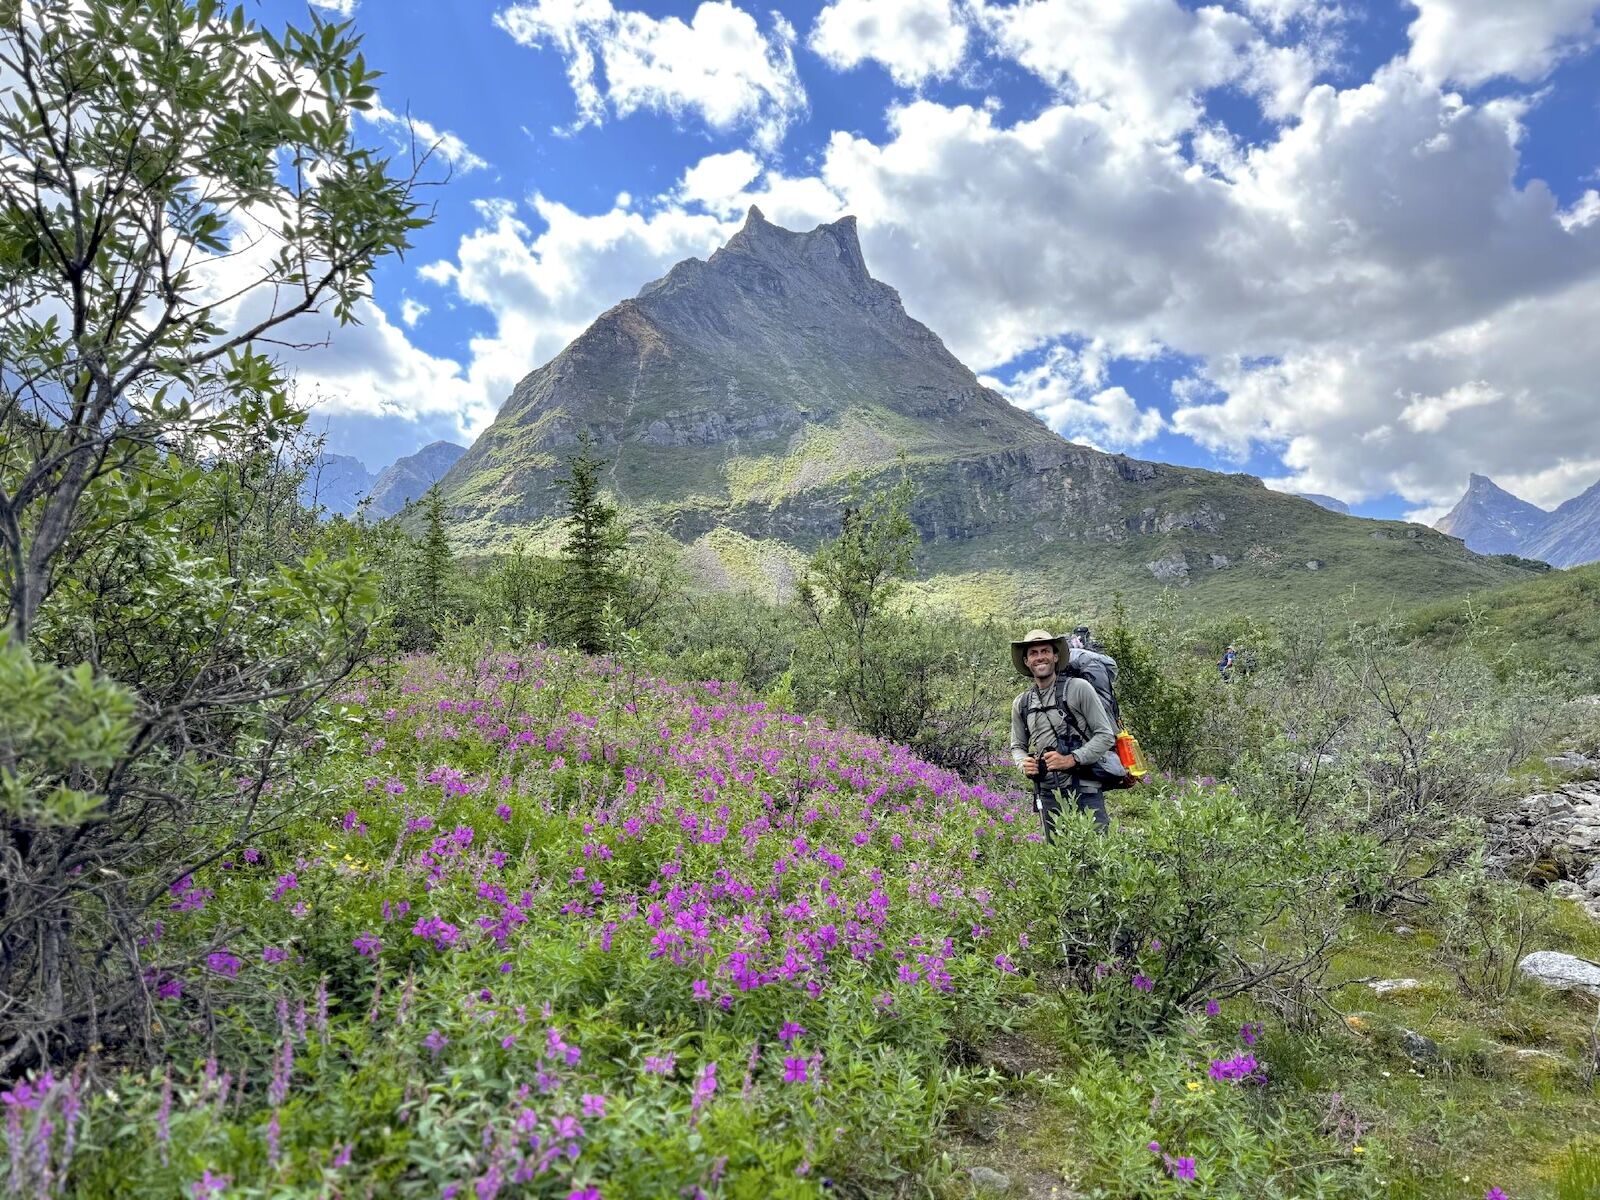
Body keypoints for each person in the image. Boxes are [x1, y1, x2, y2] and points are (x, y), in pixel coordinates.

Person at [1009, 628, 1118, 839]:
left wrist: (1071, 759)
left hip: (1085, 791)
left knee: (1095, 854)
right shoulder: (1021, 703)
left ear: (1055, 656)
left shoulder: (1079, 689)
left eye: (1045, 651)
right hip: (1048, 794)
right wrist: (1024, 764)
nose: (1040, 657)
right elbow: (1017, 746)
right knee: (1056, 855)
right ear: (1026, 661)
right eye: (1033, 653)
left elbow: (1105, 735)